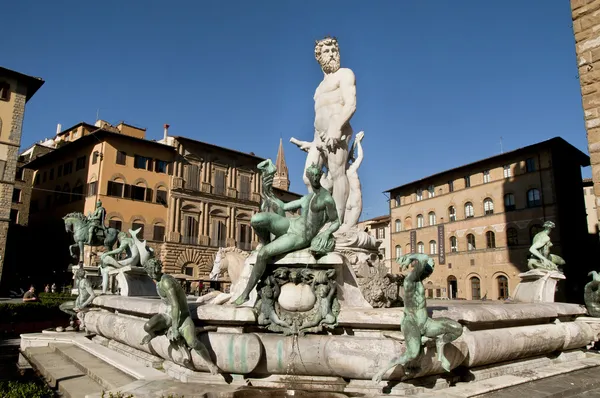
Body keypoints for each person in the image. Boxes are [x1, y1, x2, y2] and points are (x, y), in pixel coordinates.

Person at [233, 163, 341, 305]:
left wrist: (326, 233)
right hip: (291, 224)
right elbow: (283, 207)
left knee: (263, 254)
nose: (314, 178)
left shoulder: (326, 199)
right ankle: (265, 242)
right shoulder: (307, 198)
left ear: (320, 176)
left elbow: (336, 221)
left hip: (301, 236)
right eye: (312, 175)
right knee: (256, 219)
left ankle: (246, 293)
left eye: (317, 175)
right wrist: (267, 190)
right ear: (308, 177)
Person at [290, 36, 357, 223]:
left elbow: (351, 104)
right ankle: (319, 218)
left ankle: (337, 222)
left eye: (334, 50)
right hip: (318, 138)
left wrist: (336, 128)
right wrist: (311, 143)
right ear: (319, 57)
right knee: (307, 177)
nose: (332, 54)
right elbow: (319, 117)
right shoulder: (318, 88)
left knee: (337, 174)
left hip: (338, 131)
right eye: (327, 51)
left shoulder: (345, 74)